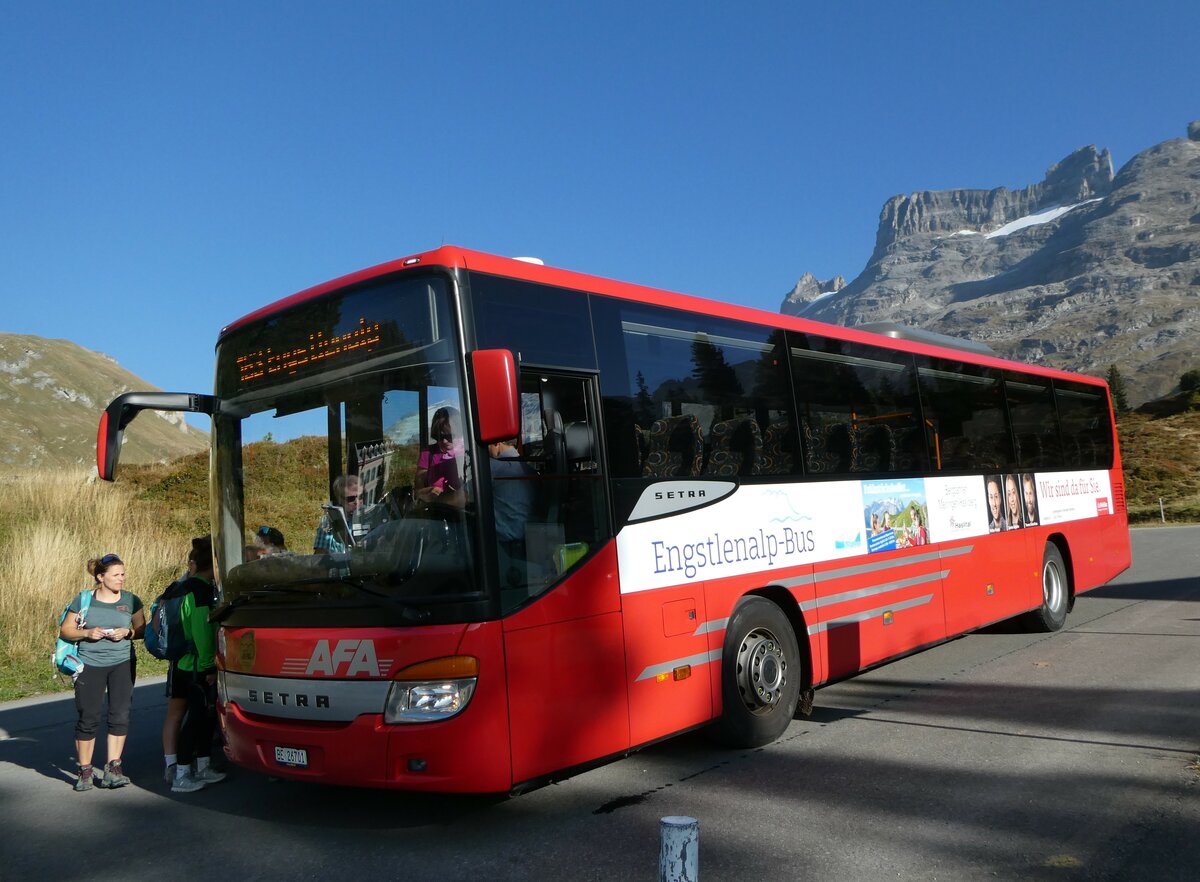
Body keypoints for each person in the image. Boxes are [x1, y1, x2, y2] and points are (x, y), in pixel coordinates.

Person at [60, 553, 144, 791]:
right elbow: (66, 630)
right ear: (100, 577)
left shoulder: (131, 600)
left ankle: (113, 769)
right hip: (90, 664)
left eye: (123, 574)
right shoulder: (84, 599)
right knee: (88, 717)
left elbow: (141, 629)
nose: (121, 579)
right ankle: (85, 771)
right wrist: (87, 633)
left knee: (120, 715)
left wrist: (127, 633)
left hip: (122, 663)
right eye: (116, 575)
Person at [166, 535, 226, 793]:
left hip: (182, 663)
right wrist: (209, 667)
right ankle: (181, 775)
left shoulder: (184, 586)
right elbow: (202, 634)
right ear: (213, 565)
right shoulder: (200, 591)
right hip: (195, 668)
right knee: (196, 720)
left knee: (204, 719)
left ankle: (203, 766)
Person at [489, 438, 535, 590]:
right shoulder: (529, 469)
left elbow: (461, 497)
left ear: (496, 443)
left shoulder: (493, 467)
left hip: (503, 549)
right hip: (529, 543)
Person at [415, 407, 465, 505]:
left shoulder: (468, 452)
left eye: (449, 436)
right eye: (440, 437)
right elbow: (418, 492)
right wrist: (429, 492)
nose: (445, 441)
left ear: (459, 433)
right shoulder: (428, 453)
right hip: (436, 510)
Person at [314, 474, 362, 553]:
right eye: (351, 498)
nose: (357, 502)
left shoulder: (373, 516)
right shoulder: (331, 519)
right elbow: (320, 554)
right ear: (340, 499)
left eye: (361, 497)